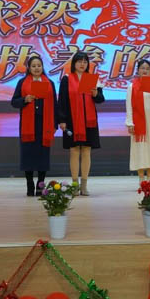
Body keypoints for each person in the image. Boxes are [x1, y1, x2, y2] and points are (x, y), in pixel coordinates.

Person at [11, 56, 59, 196]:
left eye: (39, 65)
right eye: (33, 66)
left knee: (43, 155)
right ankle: (29, 183)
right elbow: (14, 102)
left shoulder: (49, 83)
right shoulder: (22, 82)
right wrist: (25, 99)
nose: (37, 68)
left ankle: (40, 184)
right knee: (28, 154)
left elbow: (55, 105)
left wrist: (55, 124)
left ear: (42, 67)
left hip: (45, 124)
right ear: (29, 68)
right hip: (28, 125)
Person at [58, 51, 105, 196]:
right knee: (74, 151)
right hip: (71, 119)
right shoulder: (67, 79)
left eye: (85, 61)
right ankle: (74, 185)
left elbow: (100, 99)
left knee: (86, 150)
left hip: (88, 120)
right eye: (79, 61)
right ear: (74, 63)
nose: (82, 64)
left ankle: (84, 185)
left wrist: (95, 94)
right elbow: (62, 101)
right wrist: (62, 120)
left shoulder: (92, 79)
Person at [125, 59, 150, 184]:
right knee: (140, 150)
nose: (145, 70)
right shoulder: (132, 86)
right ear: (138, 70)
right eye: (142, 68)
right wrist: (129, 123)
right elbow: (129, 106)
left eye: (147, 69)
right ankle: (141, 179)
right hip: (138, 124)